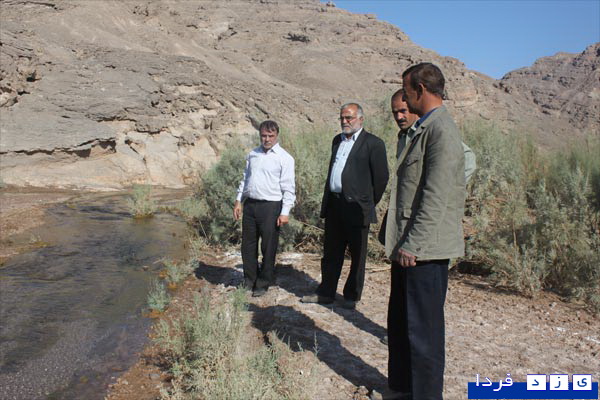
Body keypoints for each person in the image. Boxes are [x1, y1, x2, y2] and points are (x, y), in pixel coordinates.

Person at [381, 63, 467, 400]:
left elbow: (436, 195)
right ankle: (401, 389)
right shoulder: (423, 128)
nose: (404, 99)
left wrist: (413, 243)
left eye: (406, 91)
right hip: (407, 245)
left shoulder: (442, 130)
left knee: (424, 334)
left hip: (424, 251)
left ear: (420, 89)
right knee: (402, 324)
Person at [378, 90, 476, 346]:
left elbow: (466, 161)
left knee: (424, 313)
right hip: (406, 229)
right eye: (395, 113)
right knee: (403, 304)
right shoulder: (405, 137)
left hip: (427, 234)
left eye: (403, 110)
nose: (399, 116)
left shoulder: (435, 132)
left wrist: (447, 189)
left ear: (414, 106)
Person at [301, 103, 389, 309]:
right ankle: (326, 292)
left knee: (357, 254)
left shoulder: (373, 143)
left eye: (349, 118)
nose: (344, 121)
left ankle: (351, 296)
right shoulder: (337, 140)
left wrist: (367, 202)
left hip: (357, 208)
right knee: (331, 252)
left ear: (361, 119)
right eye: (342, 118)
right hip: (335, 204)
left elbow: (381, 178)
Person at [233, 120, 295, 297]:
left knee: (268, 246)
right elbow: (245, 179)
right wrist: (238, 201)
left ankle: (263, 282)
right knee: (248, 245)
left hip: (271, 207)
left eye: (270, 136)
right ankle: (249, 279)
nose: (267, 139)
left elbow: (289, 188)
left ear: (277, 135)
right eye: (263, 136)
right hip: (251, 204)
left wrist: (285, 212)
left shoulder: (285, 158)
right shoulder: (253, 154)